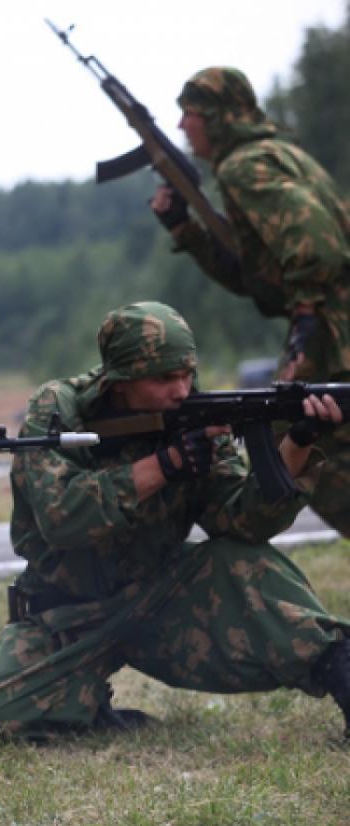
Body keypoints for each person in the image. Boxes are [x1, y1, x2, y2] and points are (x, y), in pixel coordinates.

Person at [0, 302, 350, 745]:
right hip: (66, 611)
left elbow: (241, 520)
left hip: (161, 597)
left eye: (187, 373)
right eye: (164, 378)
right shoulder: (58, 408)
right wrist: (166, 464)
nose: (182, 390)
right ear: (120, 378)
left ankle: (340, 666)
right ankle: (86, 705)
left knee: (244, 563)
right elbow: (61, 517)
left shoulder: (196, 417)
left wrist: (296, 444)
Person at [150, 67, 350, 537]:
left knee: (293, 431)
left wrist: (303, 324)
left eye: (190, 114)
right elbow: (258, 279)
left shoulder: (245, 167)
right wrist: (186, 229)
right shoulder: (279, 155)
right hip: (333, 321)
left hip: (331, 328)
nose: (182, 127)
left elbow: (316, 247)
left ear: (217, 118)